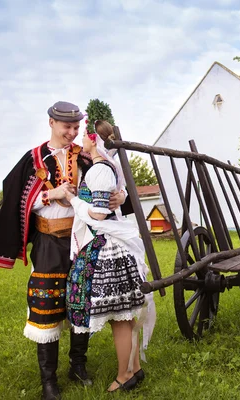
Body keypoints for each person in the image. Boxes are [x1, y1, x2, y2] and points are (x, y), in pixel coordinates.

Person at [0, 102, 127, 400]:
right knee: (47, 304)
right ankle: (48, 380)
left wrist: (118, 196)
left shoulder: (86, 158)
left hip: (81, 240)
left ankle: (78, 365)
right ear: (51, 122)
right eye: (67, 127)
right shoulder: (34, 158)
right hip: (48, 243)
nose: (72, 133)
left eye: (76, 128)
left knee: (80, 300)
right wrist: (52, 194)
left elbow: (110, 183)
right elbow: (17, 199)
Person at [62, 120, 155, 393]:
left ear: (94, 140)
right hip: (114, 245)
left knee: (120, 318)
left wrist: (74, 201)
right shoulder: (107, 167)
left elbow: (100, 214)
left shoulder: (100, 170)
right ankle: (134, 370)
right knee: (124, 315)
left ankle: (125, 375)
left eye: (85, 137)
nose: (82, 141)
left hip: (107, 249)